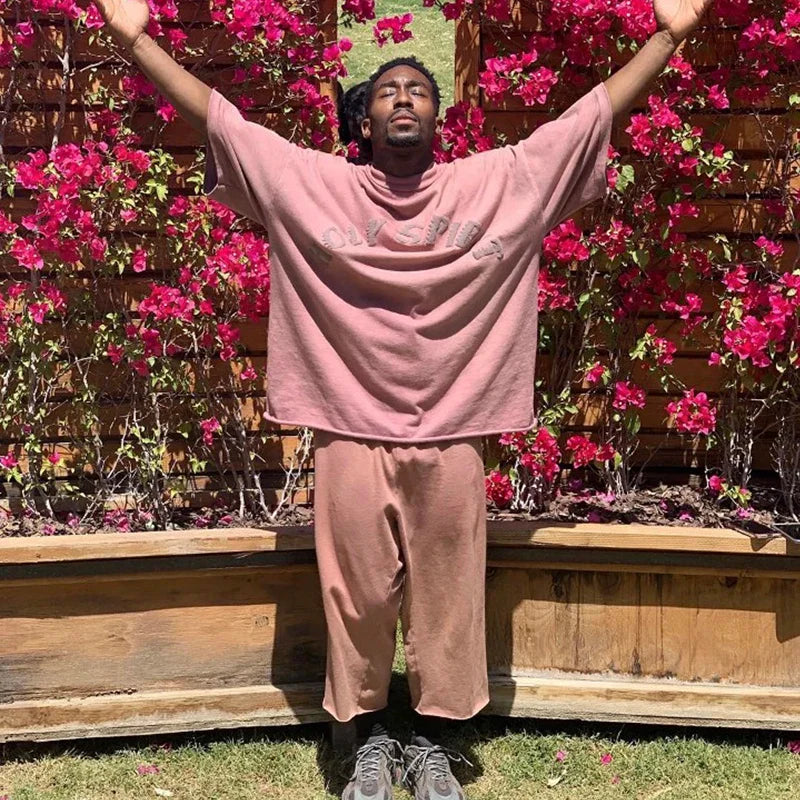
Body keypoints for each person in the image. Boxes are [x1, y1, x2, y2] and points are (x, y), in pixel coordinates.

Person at [87, 2, 715, 798]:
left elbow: (587, 117)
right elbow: (224, 121)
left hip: (454, 433)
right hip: (350, 430)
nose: (405, 98)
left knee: (448, 600)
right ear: (364, 120)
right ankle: (366, 737)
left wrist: (666, 38)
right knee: (356, 598)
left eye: (419, 88)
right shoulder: (314, 185)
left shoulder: (499, 184)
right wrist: (137, 42)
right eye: (388, 90)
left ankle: (433, 740)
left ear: (437, 118)